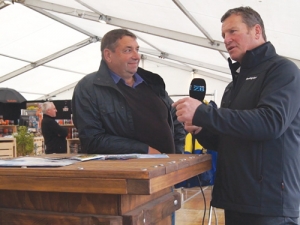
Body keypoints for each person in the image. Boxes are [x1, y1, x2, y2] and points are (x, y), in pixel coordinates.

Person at [172, 6, 300, 225]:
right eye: (223, 35)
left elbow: (271, 122)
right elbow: (228, 140)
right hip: (237, 199)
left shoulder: (282, 71)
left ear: (256, 31)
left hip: (269, 203)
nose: (226, 39)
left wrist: (204, 113)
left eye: (233, 31)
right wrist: (202, 129)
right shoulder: (234, 85)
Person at [72, 29, 185, 154]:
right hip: (129, 171)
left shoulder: (152, 82)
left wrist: (177, 153)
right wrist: (144, 151)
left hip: (169, 169)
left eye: (137, 49)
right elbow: (92, 140)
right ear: (108, 55)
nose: (136, 56)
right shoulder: (88, 88)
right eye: (128, 50)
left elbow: (175, 117)